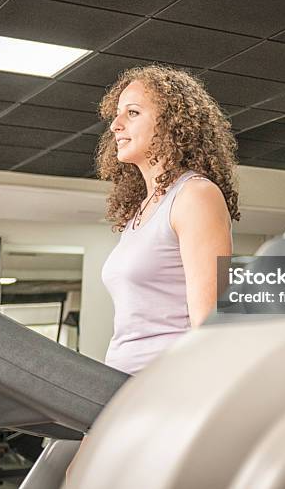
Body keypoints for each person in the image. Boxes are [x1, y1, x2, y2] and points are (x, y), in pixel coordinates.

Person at [98, 64, 240, 375]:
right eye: (116, 114)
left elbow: (209, 326)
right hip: (120, 385)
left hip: (164, 386)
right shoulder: (142, 209)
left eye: (132, 113)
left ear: (171, 123)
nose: (115, 126)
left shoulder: (195, 196)